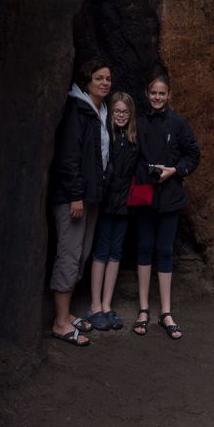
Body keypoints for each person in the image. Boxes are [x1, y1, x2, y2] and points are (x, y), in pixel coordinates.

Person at [49, 58, 112, 346]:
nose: (104, 83)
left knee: (81, 255)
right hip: (73, 198)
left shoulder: (101, 111)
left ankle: (67, 312)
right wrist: (76, 194)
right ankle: (60, 323)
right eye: (99, 78)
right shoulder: (77, 111)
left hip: (90, 198)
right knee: (69, 255)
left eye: (108, 79)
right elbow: (68, 157)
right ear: (87, 81)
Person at [133, 73, 199, 340]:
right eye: (153, 93)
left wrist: (175, 170)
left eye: (162, 93)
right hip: (144, 196)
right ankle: (143, 309)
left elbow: (193, 154)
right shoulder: (138, 123)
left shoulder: (178, 123)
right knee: (144, 248)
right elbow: (130, 153)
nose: (157, 98)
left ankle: (166, 312)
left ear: (169, 95)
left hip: (170, 197)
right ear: (147, 95)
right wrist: (143, 173)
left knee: (164, 251)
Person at [87, 92, 139, 331]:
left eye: (125, 112)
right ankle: (95, 306)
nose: (121, 115)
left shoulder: (134, 139)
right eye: (117, 111)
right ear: (112, 113)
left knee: (115, 253)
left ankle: (107, 305)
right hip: (106, 203)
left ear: (131, 114)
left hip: (125, 205)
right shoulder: (105, 135)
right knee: (101, 251)